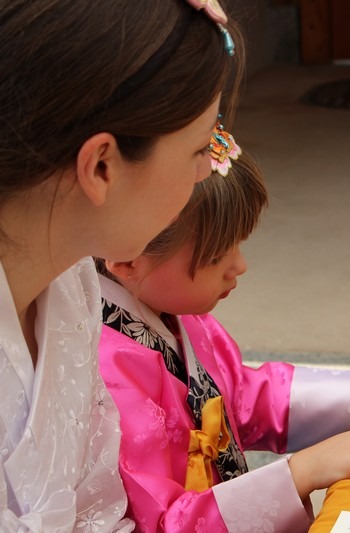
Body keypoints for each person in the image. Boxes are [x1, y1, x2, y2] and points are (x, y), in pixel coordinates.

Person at [96, 140, 350, 532]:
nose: (239, 266)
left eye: (237, 245)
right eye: (215, 256)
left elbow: (241, 399)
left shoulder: (171, 310)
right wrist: (301, 471)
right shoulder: (104, 375)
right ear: (127, 258)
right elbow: (162, 523)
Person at [0, 0, 243, 529]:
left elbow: (99, 513)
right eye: (200, 149)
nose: (209, 170)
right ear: (102, 165)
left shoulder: (75, 287)